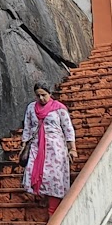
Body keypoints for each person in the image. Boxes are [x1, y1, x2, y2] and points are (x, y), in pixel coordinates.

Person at [21, 81, 77, 217]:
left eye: (44, 95)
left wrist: (72, 149)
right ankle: (41, 196)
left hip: (55, 148)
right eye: (38, 95)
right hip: (36, 146)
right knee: (33, 171)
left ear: (50, 94)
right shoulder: (31, 108)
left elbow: (68, 129)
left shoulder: (59, 108)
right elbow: (27, 127)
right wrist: (23, 145)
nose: (41, 98)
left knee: (53, 176)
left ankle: (53, 209)